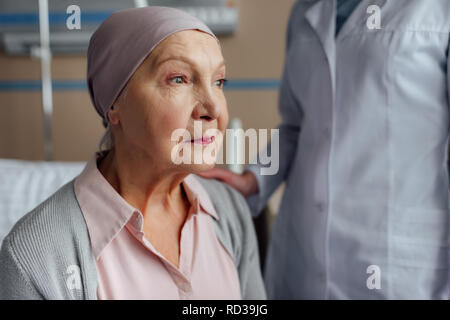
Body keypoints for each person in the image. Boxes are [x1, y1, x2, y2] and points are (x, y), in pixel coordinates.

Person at [0, 6, 266, 300]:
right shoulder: (33, 259)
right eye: (179, 79)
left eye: (219, 82)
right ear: (115, 102)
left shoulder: (230, 212)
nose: (214, 109)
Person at [200, 0, 450, 299]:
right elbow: (296, 125)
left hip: (399, 255)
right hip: (304, 249)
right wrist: (255, 179)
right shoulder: (305, 10)